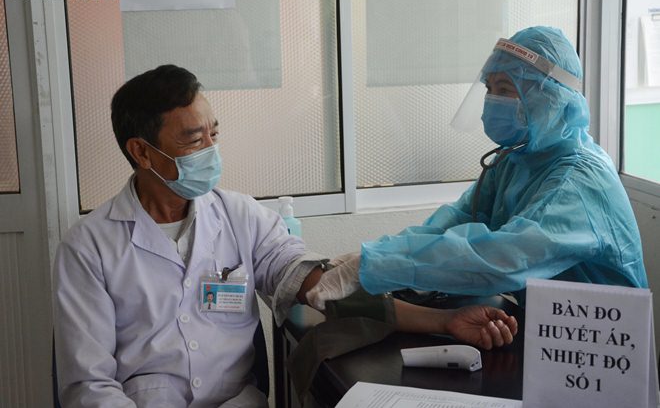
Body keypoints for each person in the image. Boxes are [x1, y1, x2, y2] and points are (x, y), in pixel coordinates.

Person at [53, 65, 517, 408]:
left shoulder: (239, 216)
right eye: (194, 141)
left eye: (215, 134)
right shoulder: (88, 247)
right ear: (142, 152)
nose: (211, 151)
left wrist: (443, 320)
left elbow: (320, 289)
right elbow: (88, 385)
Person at [307, 26, 648, 311]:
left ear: (550, 98)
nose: (492, 100)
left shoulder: (577, 180)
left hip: (599, 351)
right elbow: (454, 221)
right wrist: (375, 254)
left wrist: (376, 267)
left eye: (505, 90)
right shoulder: (517, 158)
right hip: (547, 333)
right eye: (489, 88)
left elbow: (503, 259)